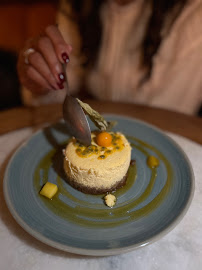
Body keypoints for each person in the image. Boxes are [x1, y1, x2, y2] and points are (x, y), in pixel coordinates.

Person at [17, 0, 202, 115]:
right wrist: (42, 83)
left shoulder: (193, 15)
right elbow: (62, 95)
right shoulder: (79, 5)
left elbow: (168, 117)